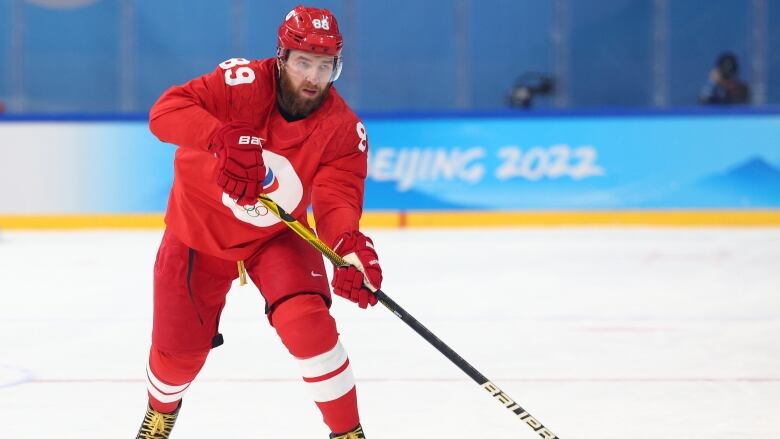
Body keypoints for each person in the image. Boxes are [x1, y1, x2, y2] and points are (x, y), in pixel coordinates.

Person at [134, 5, 382, 439]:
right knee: (177, 357)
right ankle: (160, 414)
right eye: (304, 62)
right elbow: (165, 112)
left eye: (326, 67)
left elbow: (337, 200)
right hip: (198, 232)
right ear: (282, 57)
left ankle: (349, 433)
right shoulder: (239, 83)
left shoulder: (343, 131)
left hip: (277, 238)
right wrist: (220, 135)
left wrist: (347, 247)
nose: (313, 78)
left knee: (310, 326)